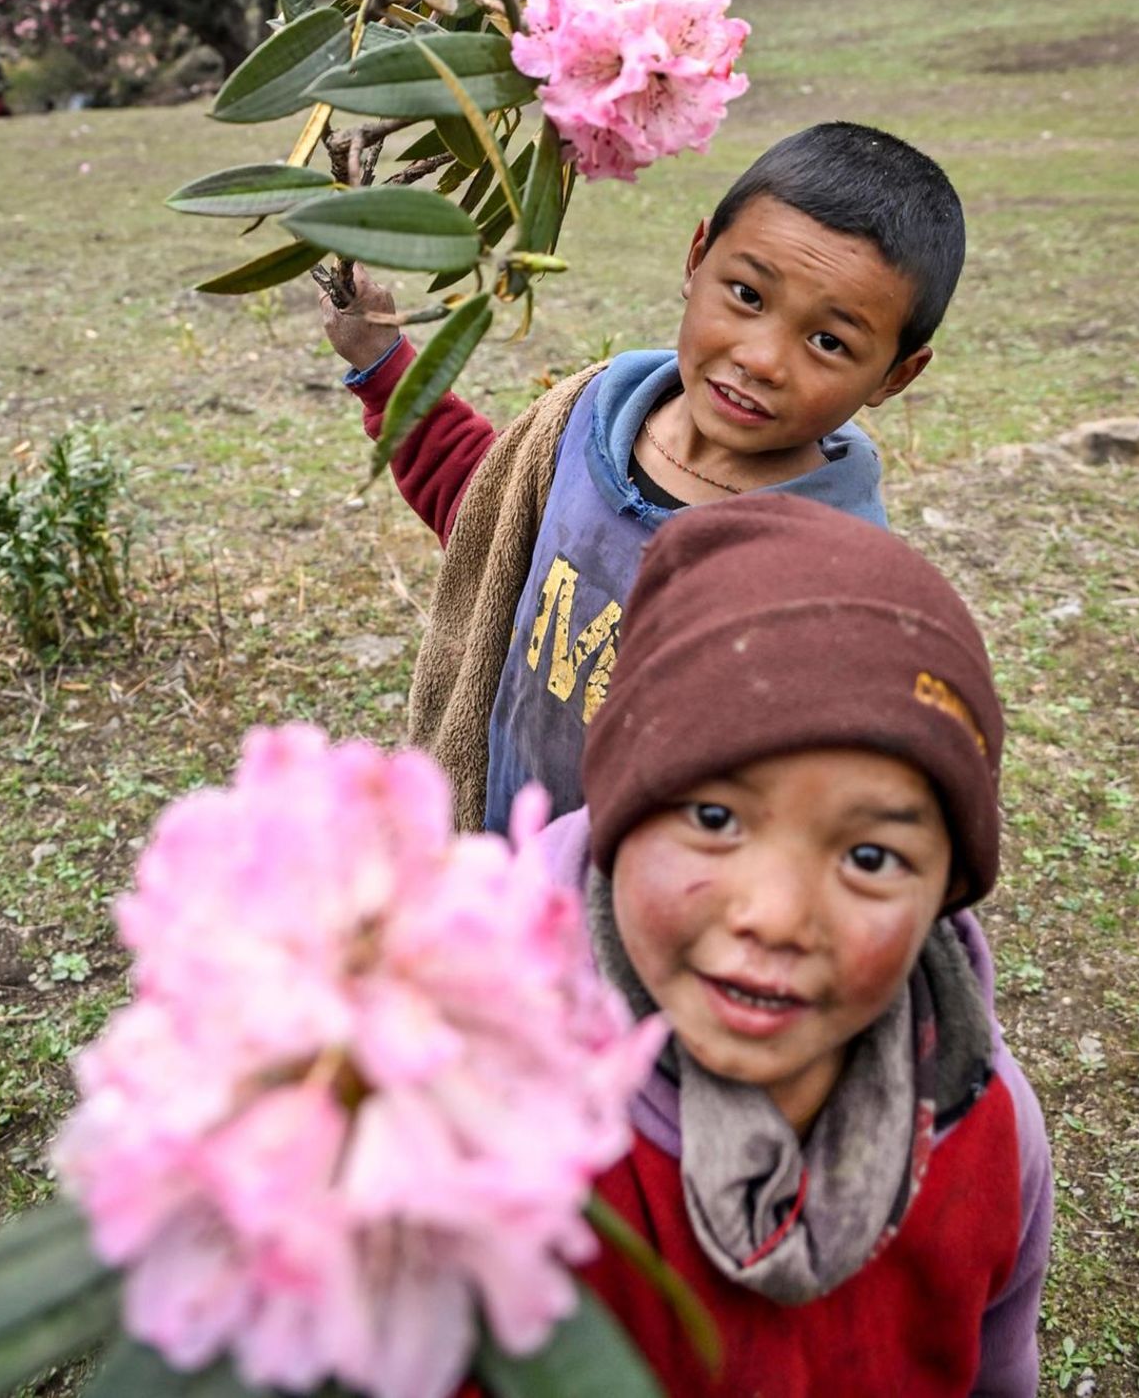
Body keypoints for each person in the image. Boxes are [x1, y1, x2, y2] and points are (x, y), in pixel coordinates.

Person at [540, 492, 1052, 1397]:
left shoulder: (990, 1133)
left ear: (945, 891)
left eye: (869, 856)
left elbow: (998, 1368)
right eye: (712, 816)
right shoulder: (484, 1108)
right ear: (616, 813)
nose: (775, 916)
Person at [320, 121, 965, 832]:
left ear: (897, 374)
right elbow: (485, 511)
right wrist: (383, 361)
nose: (762, 358)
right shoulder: (587, 416)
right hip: (501, 864)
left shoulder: (831, 578)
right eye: (748, 294)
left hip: (638, 917)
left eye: (828, 341)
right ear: (697, 257)